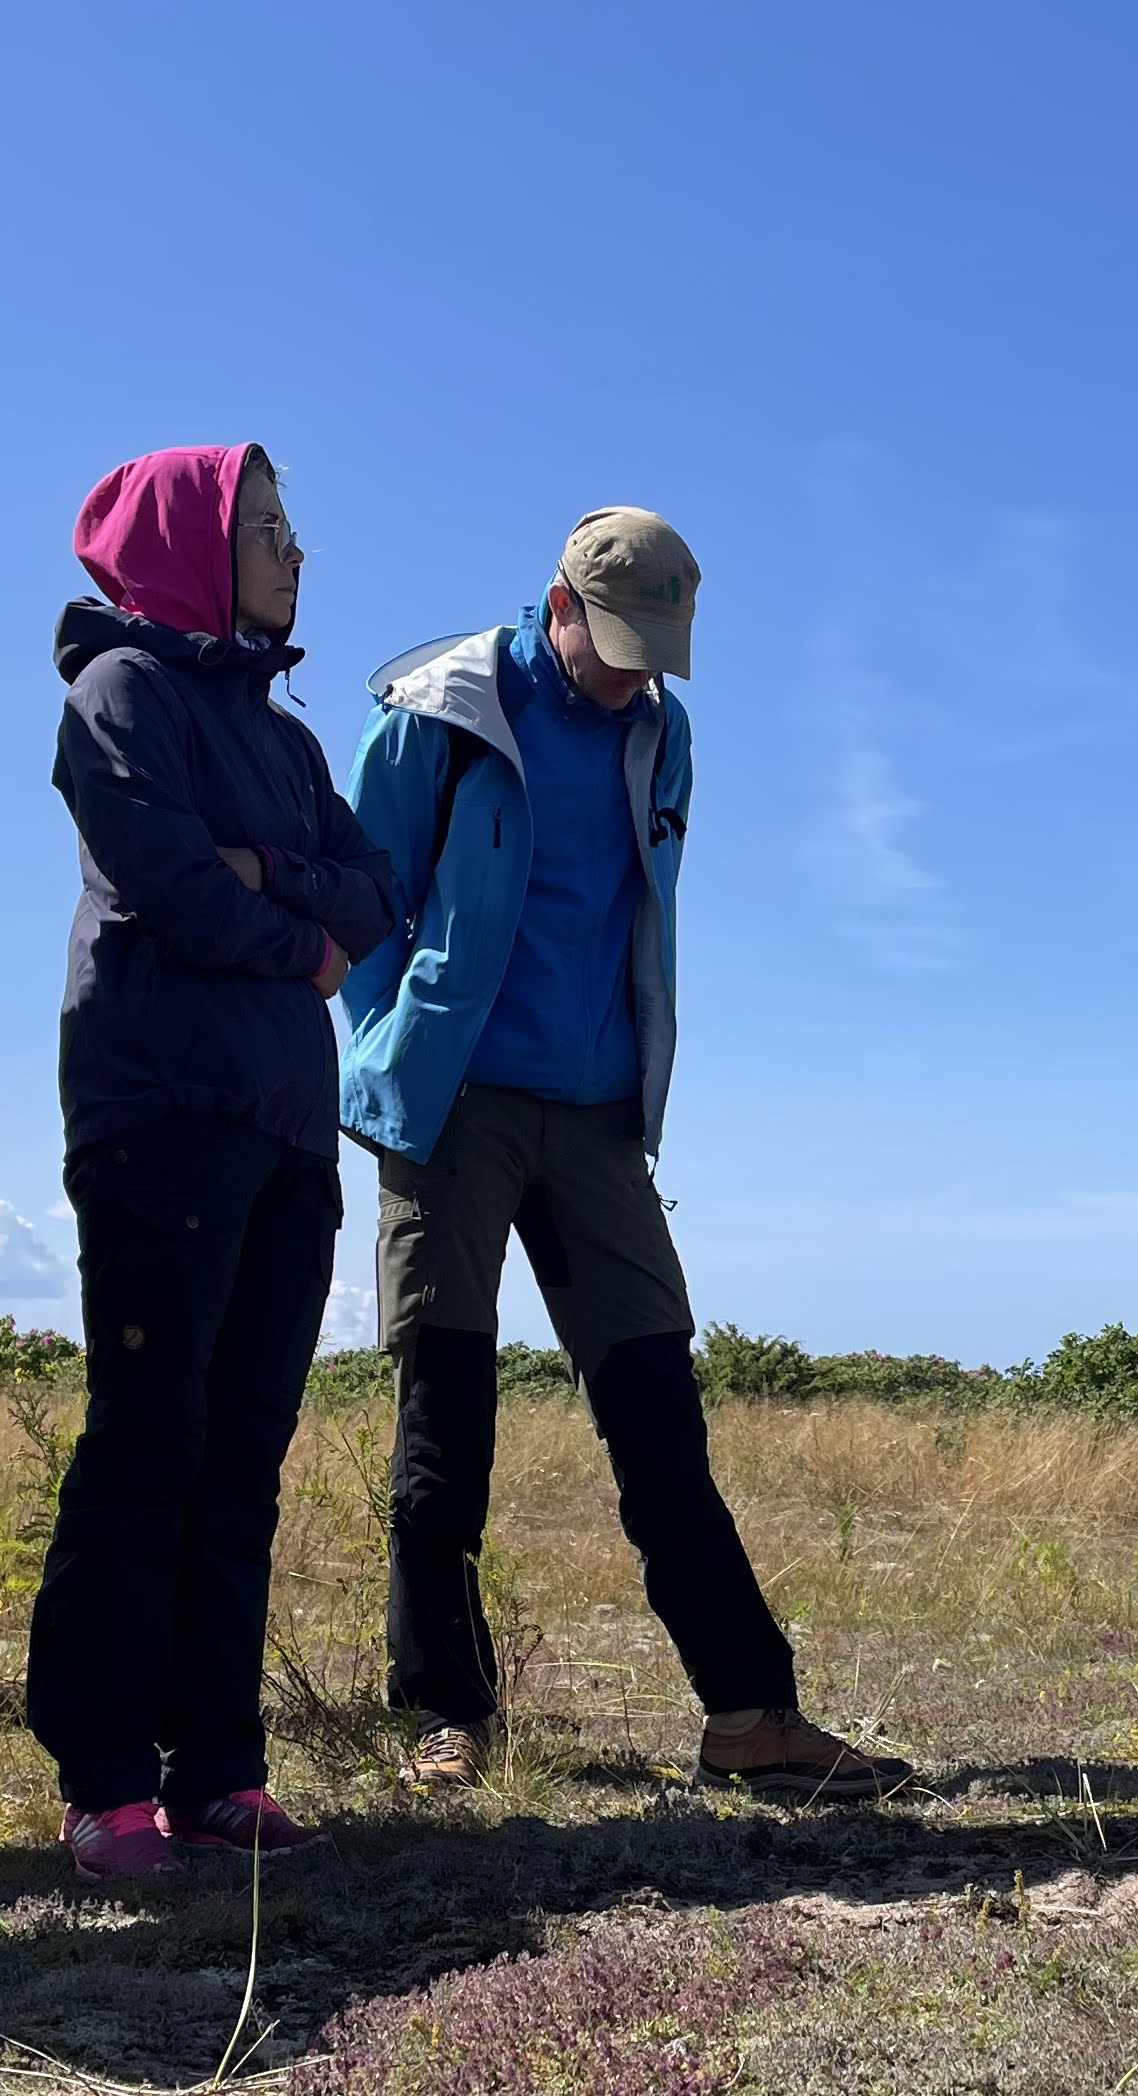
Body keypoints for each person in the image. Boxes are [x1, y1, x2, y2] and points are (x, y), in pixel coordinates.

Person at [341, 509, 915, 1804]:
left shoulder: (666, 731)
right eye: (609, 642)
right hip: (455, 1107)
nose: (628, 671)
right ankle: (445, 1716)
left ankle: (752, 1717)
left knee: (661, 1416)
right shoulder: (442, 713)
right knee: (449, 1422)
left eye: (652, 649)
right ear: (555, 604)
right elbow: (362, 902)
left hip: (599, 1118)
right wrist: (391, 1047)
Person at [28, 444, 395, 1880]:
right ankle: (108, 1782)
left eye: (294, 528)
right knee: (149, 1441)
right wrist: (301, 934)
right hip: (163, 1111)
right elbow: (164, 885)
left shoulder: (289, 739)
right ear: (188, 542)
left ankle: (218, 1773)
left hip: (292, 1131)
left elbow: (382, 891)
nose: (295, 555)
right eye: (266, 529)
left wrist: (286, 888)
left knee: (245, 1452)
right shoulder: (120, 696)